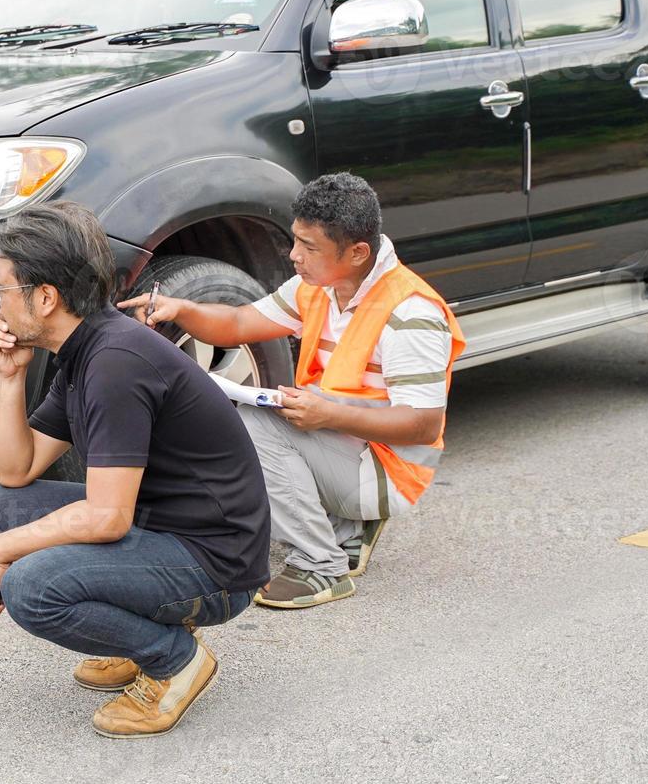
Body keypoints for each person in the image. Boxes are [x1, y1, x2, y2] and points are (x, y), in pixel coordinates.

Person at [0, 200, 270, 739]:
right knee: (4, 508)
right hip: (160, 525)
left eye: (2, 289)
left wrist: (1, 551)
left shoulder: (115, 364)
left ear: (44, 297)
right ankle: (132, 636)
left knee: (30, 589)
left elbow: (107, 517)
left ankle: (173, 659)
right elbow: (17, 472)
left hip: (216, 562)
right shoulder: (85, 347)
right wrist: (10, 379)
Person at [119, 173, 465, 609]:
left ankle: (322, 566)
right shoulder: (317, 287)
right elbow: (241, 323)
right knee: (239, 417)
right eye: (296, 240)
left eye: (309, 247)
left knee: (254, 427)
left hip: (389, 469)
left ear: (358, 252)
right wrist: (182, 308)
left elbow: (422, 425)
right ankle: (346, 529)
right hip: (347, 447)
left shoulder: (410, 314)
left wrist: (327, 415)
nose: (293, 255)